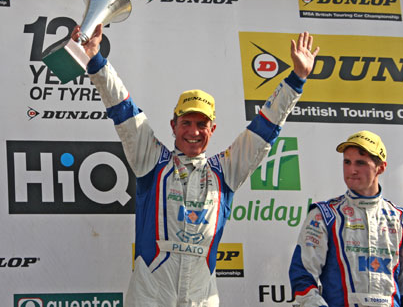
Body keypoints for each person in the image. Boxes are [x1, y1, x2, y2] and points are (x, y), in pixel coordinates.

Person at [72, 24, 318, 307]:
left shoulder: (226, 170)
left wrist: (297, 79)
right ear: (173, 126)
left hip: (201, 298)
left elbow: (265, 128)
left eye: (202, 124)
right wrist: (95, 60)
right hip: (149, 298)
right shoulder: (152, 160)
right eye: (186, 122)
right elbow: (122, 109)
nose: (193, 131)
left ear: (212, 129)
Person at [289, 130, 403, 307]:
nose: (352, 170)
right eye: (347, 162)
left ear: (381, 167)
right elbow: (303, 277)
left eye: (360, 163)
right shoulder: (324, 215)